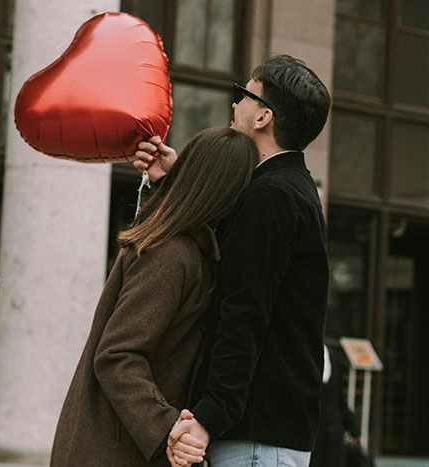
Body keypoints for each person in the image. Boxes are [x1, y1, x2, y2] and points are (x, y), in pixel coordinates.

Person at [134, 54, 331, 466]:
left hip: (256, 438)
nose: (234, 104)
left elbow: (243, 312)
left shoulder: (271, 196)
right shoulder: (285, 188)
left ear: (263, 117)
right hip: (265, 435)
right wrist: (174, 182)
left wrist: (209, 416)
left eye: (244, 95)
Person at [50, 127, 258, 466]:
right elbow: (118, 355)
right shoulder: (172, 254)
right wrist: (166, 431)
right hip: (113, 451)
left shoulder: (181, 244)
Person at [310, 341, 361, 467]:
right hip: (312, 425)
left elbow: (339, 397)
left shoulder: (333, 358)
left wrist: (353, 428)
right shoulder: (308, 354)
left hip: (333, 429)